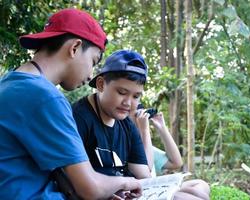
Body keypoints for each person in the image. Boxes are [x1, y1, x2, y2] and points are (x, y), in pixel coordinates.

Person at [0, 8, 142, 200]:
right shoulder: (45, 97)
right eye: (93, 61)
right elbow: (90, 188)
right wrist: (128, 182)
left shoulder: (9, 83)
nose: (91, 74)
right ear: (74, 47)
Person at [72, 50, 151, 179]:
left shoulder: (128, 126)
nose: (128, 103)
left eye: (136, 96)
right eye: (121, 92)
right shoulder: (78, 118)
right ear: (101, 84)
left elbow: (144, 176)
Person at [130, 105, 210, 200]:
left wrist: (162, 127)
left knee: (200, 184)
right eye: (137, 115)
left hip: (158, 190)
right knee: (191, 196)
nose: (142, 118)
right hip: (144, 194)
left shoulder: (149, 148)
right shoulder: (127, 147)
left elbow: (176, 163)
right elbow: (146, 172)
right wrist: (144, 130)